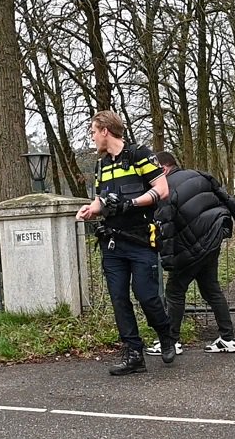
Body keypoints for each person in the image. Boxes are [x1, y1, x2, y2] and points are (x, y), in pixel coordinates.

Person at [76, 110, 178, 375]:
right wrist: (90, 209)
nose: (92, 137)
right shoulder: (102, 165)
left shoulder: (139, 155)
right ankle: (134, 353)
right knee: (119, 299)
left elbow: (162, 190)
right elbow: (102, 200)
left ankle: (166, 334)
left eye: (93, 132)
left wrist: (131, 203)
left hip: (140, 240)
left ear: (105, 131)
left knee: (146, 295)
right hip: (112, 243)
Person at [149, 151, 235, 356]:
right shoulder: (200, 175)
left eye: (153, 173)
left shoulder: (165, 189)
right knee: (211, 288)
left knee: (175, 290)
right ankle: (228, 338)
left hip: (193, 245)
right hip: (214, 238)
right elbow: (227, 198)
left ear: (163, 169)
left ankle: (171, 341)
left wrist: (167, 261)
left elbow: (165, 227)